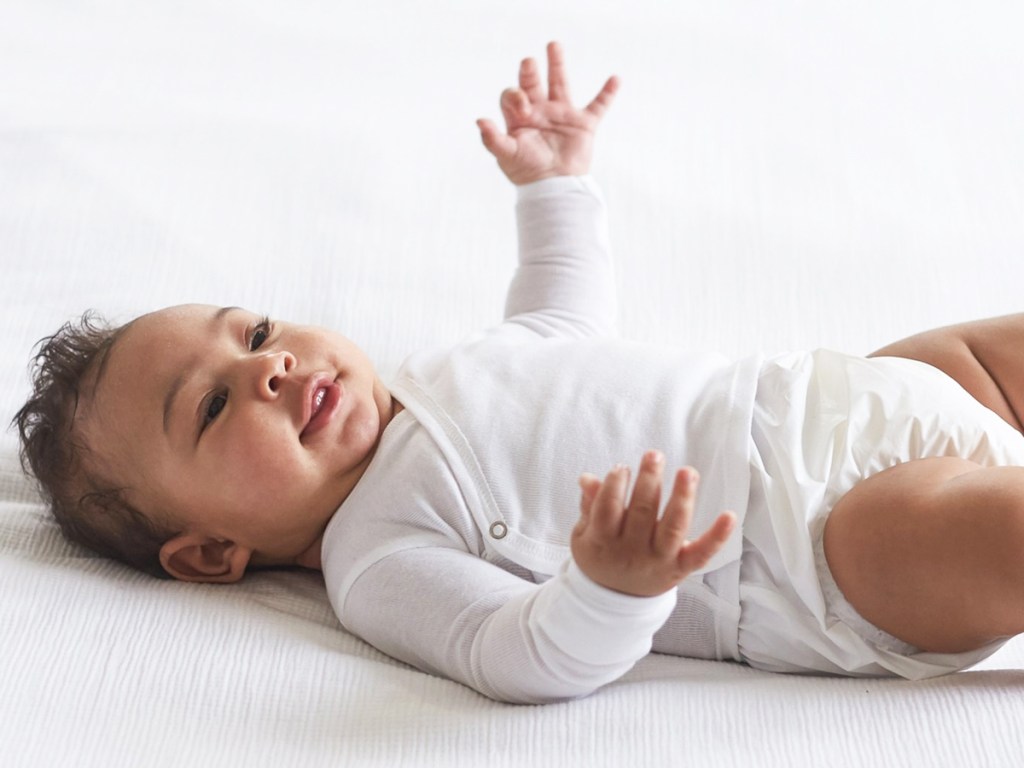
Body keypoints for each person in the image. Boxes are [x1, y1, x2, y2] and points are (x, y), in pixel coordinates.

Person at [15, 42, 1024, 704]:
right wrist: (609, 589)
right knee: (986, 527)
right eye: (215, 403)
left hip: (840, 399)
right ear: (208, 555)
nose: (272, 367)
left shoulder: (447, 367)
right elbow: (515, 656)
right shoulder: (377, 559)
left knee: (969, 358)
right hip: (825, 557)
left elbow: (559, 314)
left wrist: (554, 187)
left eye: (258, 332)